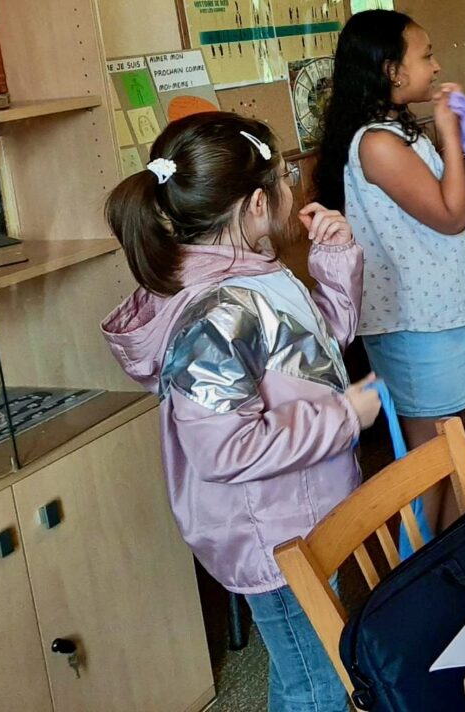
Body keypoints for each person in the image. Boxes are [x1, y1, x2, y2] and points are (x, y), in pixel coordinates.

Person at [101, 112, 380, 712]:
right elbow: (225, 448)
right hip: (272, 533)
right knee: (316, 684)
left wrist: (335, 258)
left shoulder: (255, 272)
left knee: (308, 671)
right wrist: (344, 417)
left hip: (299, 512)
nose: (292, 190)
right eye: (284, 179)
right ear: (257, 204)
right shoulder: (218, 314)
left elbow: (314, 356)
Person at [314, 10, 465, 527]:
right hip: (413, 323)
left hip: (435, 313)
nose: (436, 65)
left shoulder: (396, 131)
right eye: (425, 56)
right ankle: (429, 561)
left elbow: (417, 220)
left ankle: (459, 548)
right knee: (431, 459)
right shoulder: (376, 143)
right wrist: (450, 134)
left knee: (451, 448)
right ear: (391, 70)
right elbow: (449, 215)